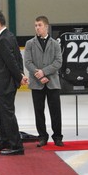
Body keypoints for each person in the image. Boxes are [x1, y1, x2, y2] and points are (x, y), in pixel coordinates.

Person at [0, 12, 28, 155]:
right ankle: (5, 140)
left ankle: (16, 145)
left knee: (8, 114)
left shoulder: (4, 39)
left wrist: (19, 76)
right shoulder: (8, 36)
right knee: (3, 114)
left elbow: (11, 61)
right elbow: (18, 57)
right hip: (7, 82)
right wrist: (21, 74)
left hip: (6, 83)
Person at [24, 15, 64, 147]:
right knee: (38, 111)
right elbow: (28, 62)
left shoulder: (55, 43)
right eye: (35, 25)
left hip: (52, 83)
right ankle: (42, 136)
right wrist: (40, 75)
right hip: (37, 83)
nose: (37, 28)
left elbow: (58, 62)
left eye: (39, 25)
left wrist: (44, 72)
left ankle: (57, 137)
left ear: (46, 27)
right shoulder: (30, 43)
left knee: (55, 112)